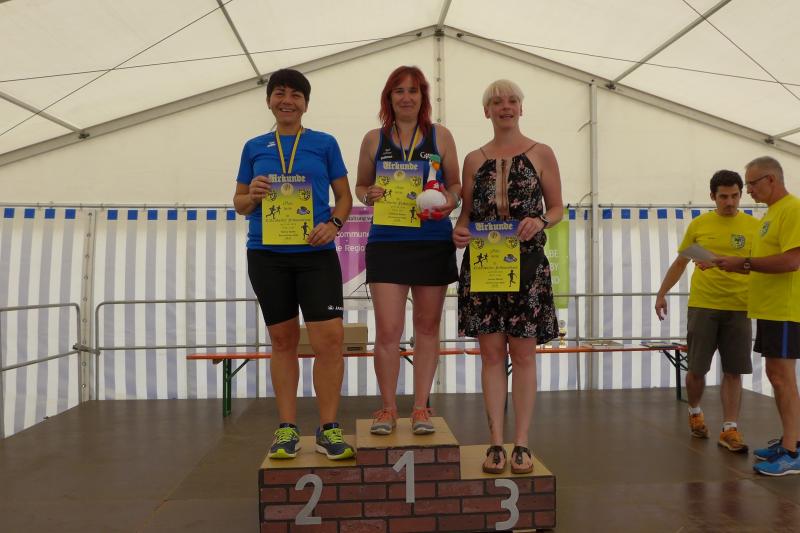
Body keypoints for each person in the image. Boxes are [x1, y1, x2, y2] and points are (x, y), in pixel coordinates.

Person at [232, 69, 355, 461]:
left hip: (316, 254)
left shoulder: (324, 143)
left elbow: (344, 197)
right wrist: (252, 195)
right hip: (267, 255)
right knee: (283, 341)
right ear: (269, 100)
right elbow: (239, 203)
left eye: (296, 95)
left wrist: (334, 225)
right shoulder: (254, 146)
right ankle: (286, 428)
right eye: (280, 93)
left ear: (306, 103)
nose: (287, 101)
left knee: (330, 340)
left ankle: (329, 428)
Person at [453, 79, 562, 474]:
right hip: (484, 265)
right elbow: (466, 215)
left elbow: (557, 207)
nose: (505, 106)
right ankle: (495, 442)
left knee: (525, 355)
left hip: (528, 266)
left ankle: (522, 443)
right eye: (497, 101)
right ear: (486, 110)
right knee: (491, 355)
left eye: (512, 100)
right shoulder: (473, 159)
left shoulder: (542, 153)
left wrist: (540, 221)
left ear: (521, 108)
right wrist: (459, 232)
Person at [355, 66, 461, 435]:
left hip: (432, 240)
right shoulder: (373, 139)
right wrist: (368, 195)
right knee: (388, 330)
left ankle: (420, 409)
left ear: (422, 97)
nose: (406, 97)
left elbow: (456, 185)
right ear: (389, 97)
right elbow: (360, 186)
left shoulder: (440, 135)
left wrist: (448, 201)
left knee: (427, 328)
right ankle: (387, 409)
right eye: (399, 90)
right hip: (387, 242)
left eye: (413, 90)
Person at [654, 171, 758, 452]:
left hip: (739, 306)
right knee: (696, 369)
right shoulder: (699, 225)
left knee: (734, 370)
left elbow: (760, 265)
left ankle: (730, 429)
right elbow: (680, 263)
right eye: (723, 196)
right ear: (712, 196)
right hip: (703, 305)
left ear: (741, 194)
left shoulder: (754, 226)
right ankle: (695, 411)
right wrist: (661, 294)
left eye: (734, 195)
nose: (730, 202)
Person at [715, 156, 800, 476]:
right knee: (776, 376)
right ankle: (791, 440)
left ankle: (792, 450)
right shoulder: (771, 213)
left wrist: (744, 263)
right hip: (769, 307)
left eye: (751, 183)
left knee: (783, 377)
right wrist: (732, 263)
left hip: (785, 308)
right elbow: (764, 262)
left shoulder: (792, 209)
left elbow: (792, 261)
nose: (747, 190)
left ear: (771, 179)